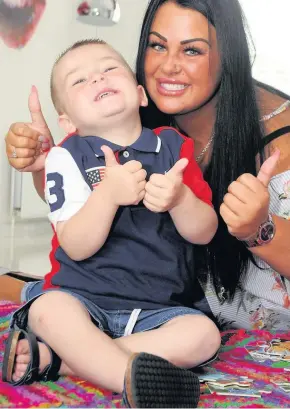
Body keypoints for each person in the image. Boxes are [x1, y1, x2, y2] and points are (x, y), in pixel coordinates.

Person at [2, 0, 290, 330]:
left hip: (191, 317)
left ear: (228, 56)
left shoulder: (279, 141)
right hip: (129, 296)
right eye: (157, 45)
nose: (168, 66)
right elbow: (77, 205)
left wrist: (260, 230)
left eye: (192, 50)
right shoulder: (137, 116)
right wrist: (46, 162)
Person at [2, 39, 220, 408]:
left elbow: (205, 231)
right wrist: (107, 195)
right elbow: (75, 243)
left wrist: (181, 200)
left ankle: (62, 361)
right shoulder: (64, 157)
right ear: (67, 120)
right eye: (79, 80)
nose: (97, 78)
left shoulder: (173, 148)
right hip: (81, 298)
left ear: (140, 95)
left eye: (108, 68)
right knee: (47, 311)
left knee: (204, 335)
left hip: (156, 309)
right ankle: (132, 379)